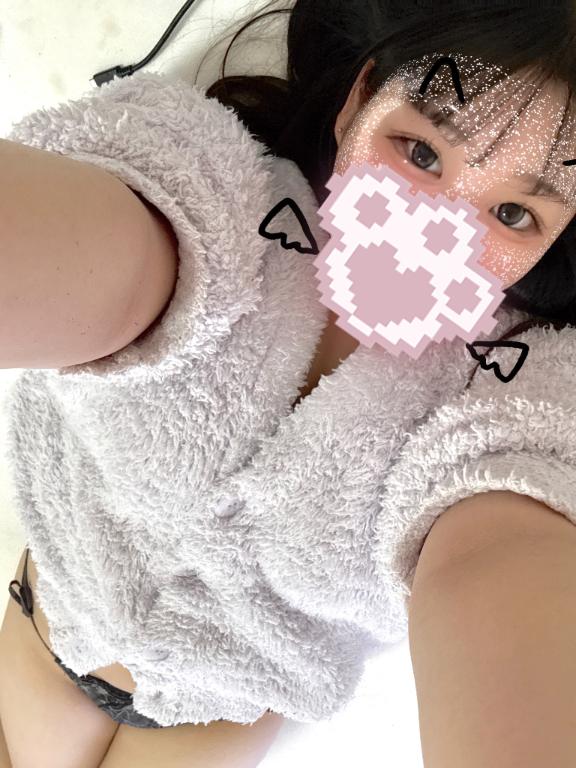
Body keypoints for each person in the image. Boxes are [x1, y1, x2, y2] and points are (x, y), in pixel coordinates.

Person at [2, 1, 576, 766]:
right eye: (420, 151)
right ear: (359, 100)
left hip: (218, 720)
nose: (436, 229)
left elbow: (514, 543)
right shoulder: (216, 192)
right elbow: (85, 243)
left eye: (512, 212)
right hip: (51, 626)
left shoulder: (516, 387)